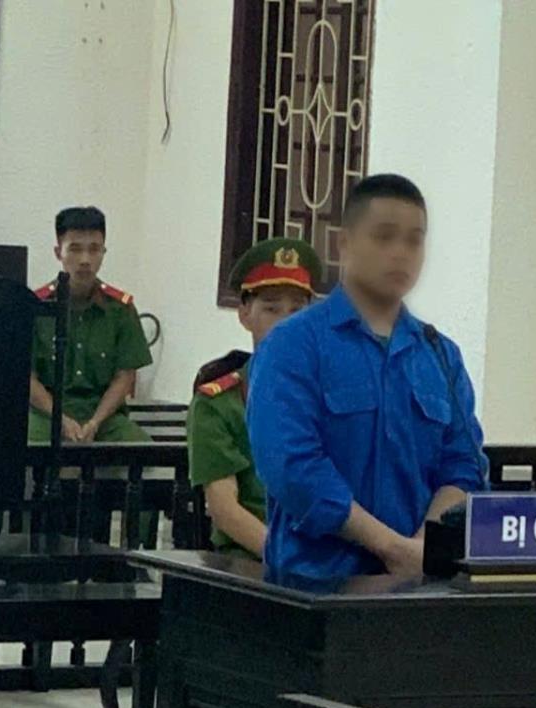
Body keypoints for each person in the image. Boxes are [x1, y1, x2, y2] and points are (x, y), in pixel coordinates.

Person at [247, 174, 488, 579]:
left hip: (421, 586)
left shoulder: (439, 354)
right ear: (343, 244)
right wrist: (391, 548)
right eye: (384, 237)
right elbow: (292, 467)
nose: (401, 253)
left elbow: (463, 466)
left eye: (414, 240)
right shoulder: (293, 345)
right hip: (315, 588)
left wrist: (423, 547)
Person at [186, 238, 322, 558]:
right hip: (253, 557)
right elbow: (225, 510)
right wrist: (290, 559)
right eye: (271, 309)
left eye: (297, 310)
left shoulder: (329, 398)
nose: (286, 322)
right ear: (245, 314)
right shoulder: (218, 405)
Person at [30, 206, 153, 444]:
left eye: (94, 249)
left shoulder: (121, 310)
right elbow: (28, 379)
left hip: (104, 417)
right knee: (23, 450)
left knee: (144, 451)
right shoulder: (35, 307)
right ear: (58, 252)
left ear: (104, 252)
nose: (85, 260)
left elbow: (125, 376)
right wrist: (60, 419)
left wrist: (96, 422)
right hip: (46, 415)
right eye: (75, 249)